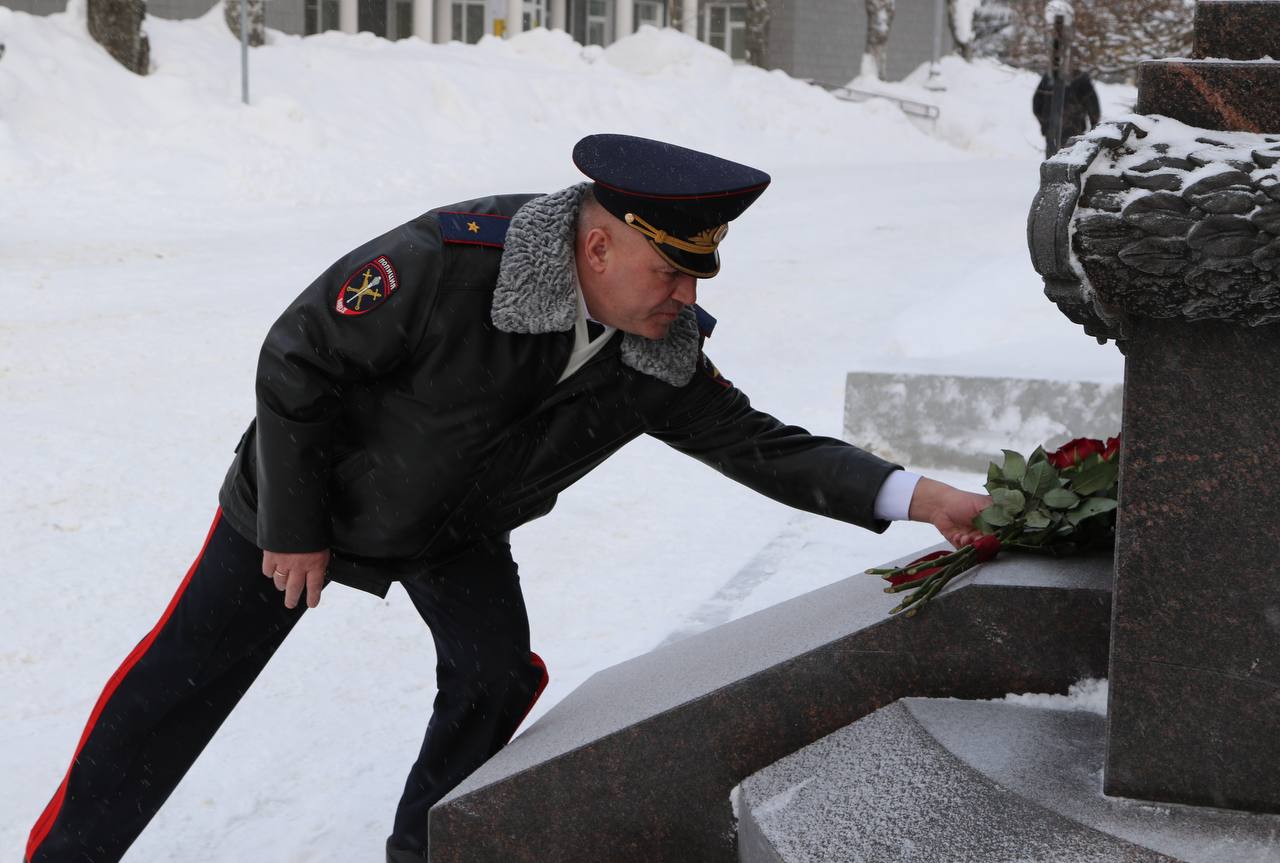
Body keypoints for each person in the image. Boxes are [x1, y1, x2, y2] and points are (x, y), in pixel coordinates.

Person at [25, 134, 990, 863]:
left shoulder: (658, 346)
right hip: (311, 499)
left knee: (495, 676)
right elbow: (297, 358)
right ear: (599, 246)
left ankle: (426, 851)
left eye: (698, 273)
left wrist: (919, 494)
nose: (686, 297)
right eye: (670, 271)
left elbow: (757, 443)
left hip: (455, 525)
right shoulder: (449, 263)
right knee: (174, 692)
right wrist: (294, 525)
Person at [1032, 69, 1101, 157]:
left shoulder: (1050, 77)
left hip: (1053, 131)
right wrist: (1094, 127)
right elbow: (1093, 106)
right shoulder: (1080, 77)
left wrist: (1045, 123)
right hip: (1074, 130)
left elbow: (1036, 105)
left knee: (1051, 165)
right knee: (1071, 164)